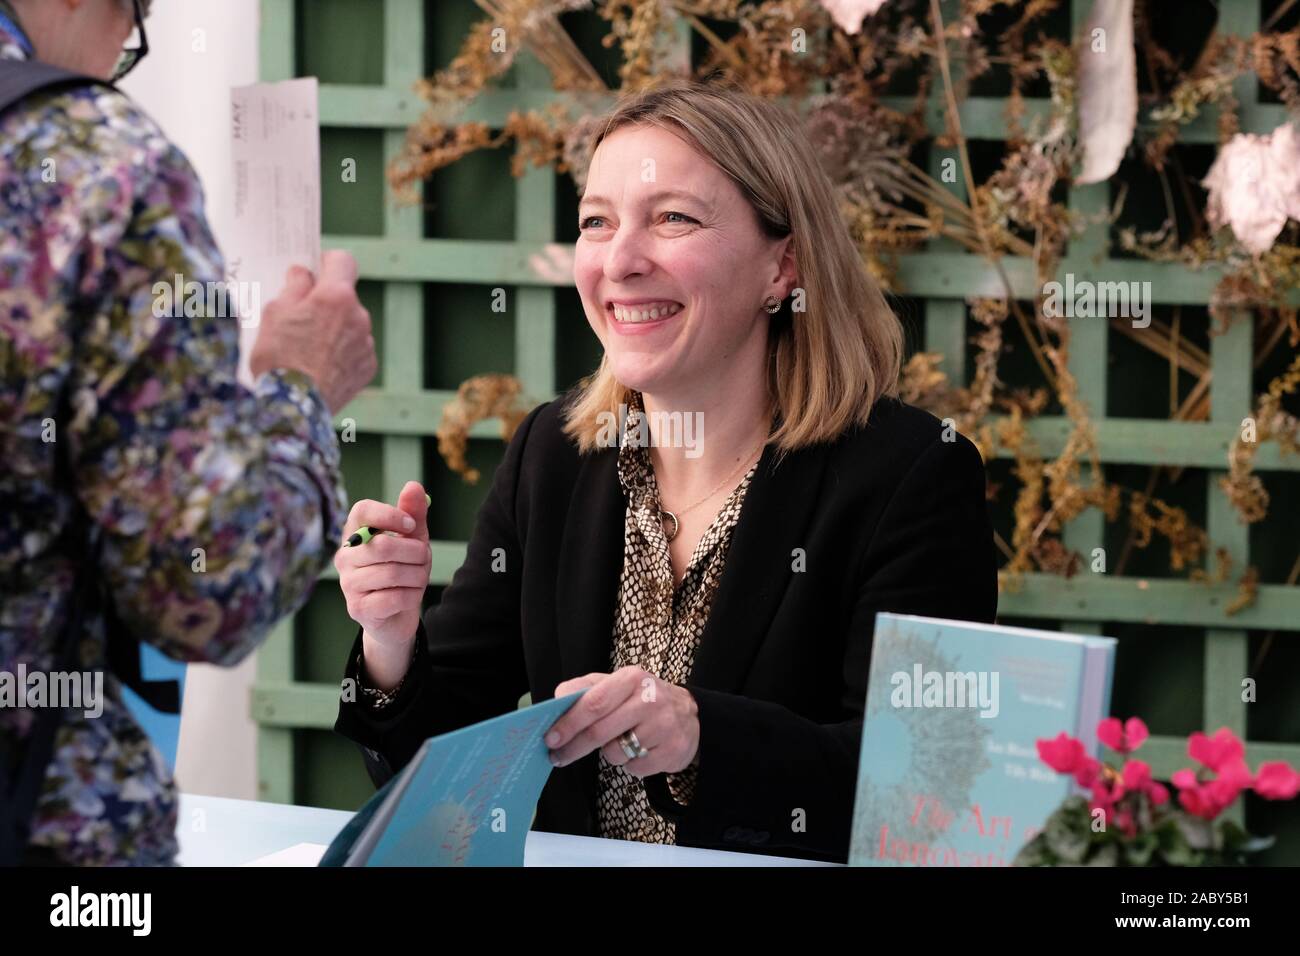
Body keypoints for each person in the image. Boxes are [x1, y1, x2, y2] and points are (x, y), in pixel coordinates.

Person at [333, 79, 997, 864]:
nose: (620, 260)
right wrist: (390, 640)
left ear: (782, 267)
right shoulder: (554, 451)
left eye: (673, 218)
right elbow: (432, 763)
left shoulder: (912, 474)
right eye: (596, 222)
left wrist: (699, 735)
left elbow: (927, 792)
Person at [0, 0, 377, 865]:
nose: (111, 60)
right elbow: (208, 586)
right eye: (131, 24)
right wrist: (303, 391)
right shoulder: (94, 160)